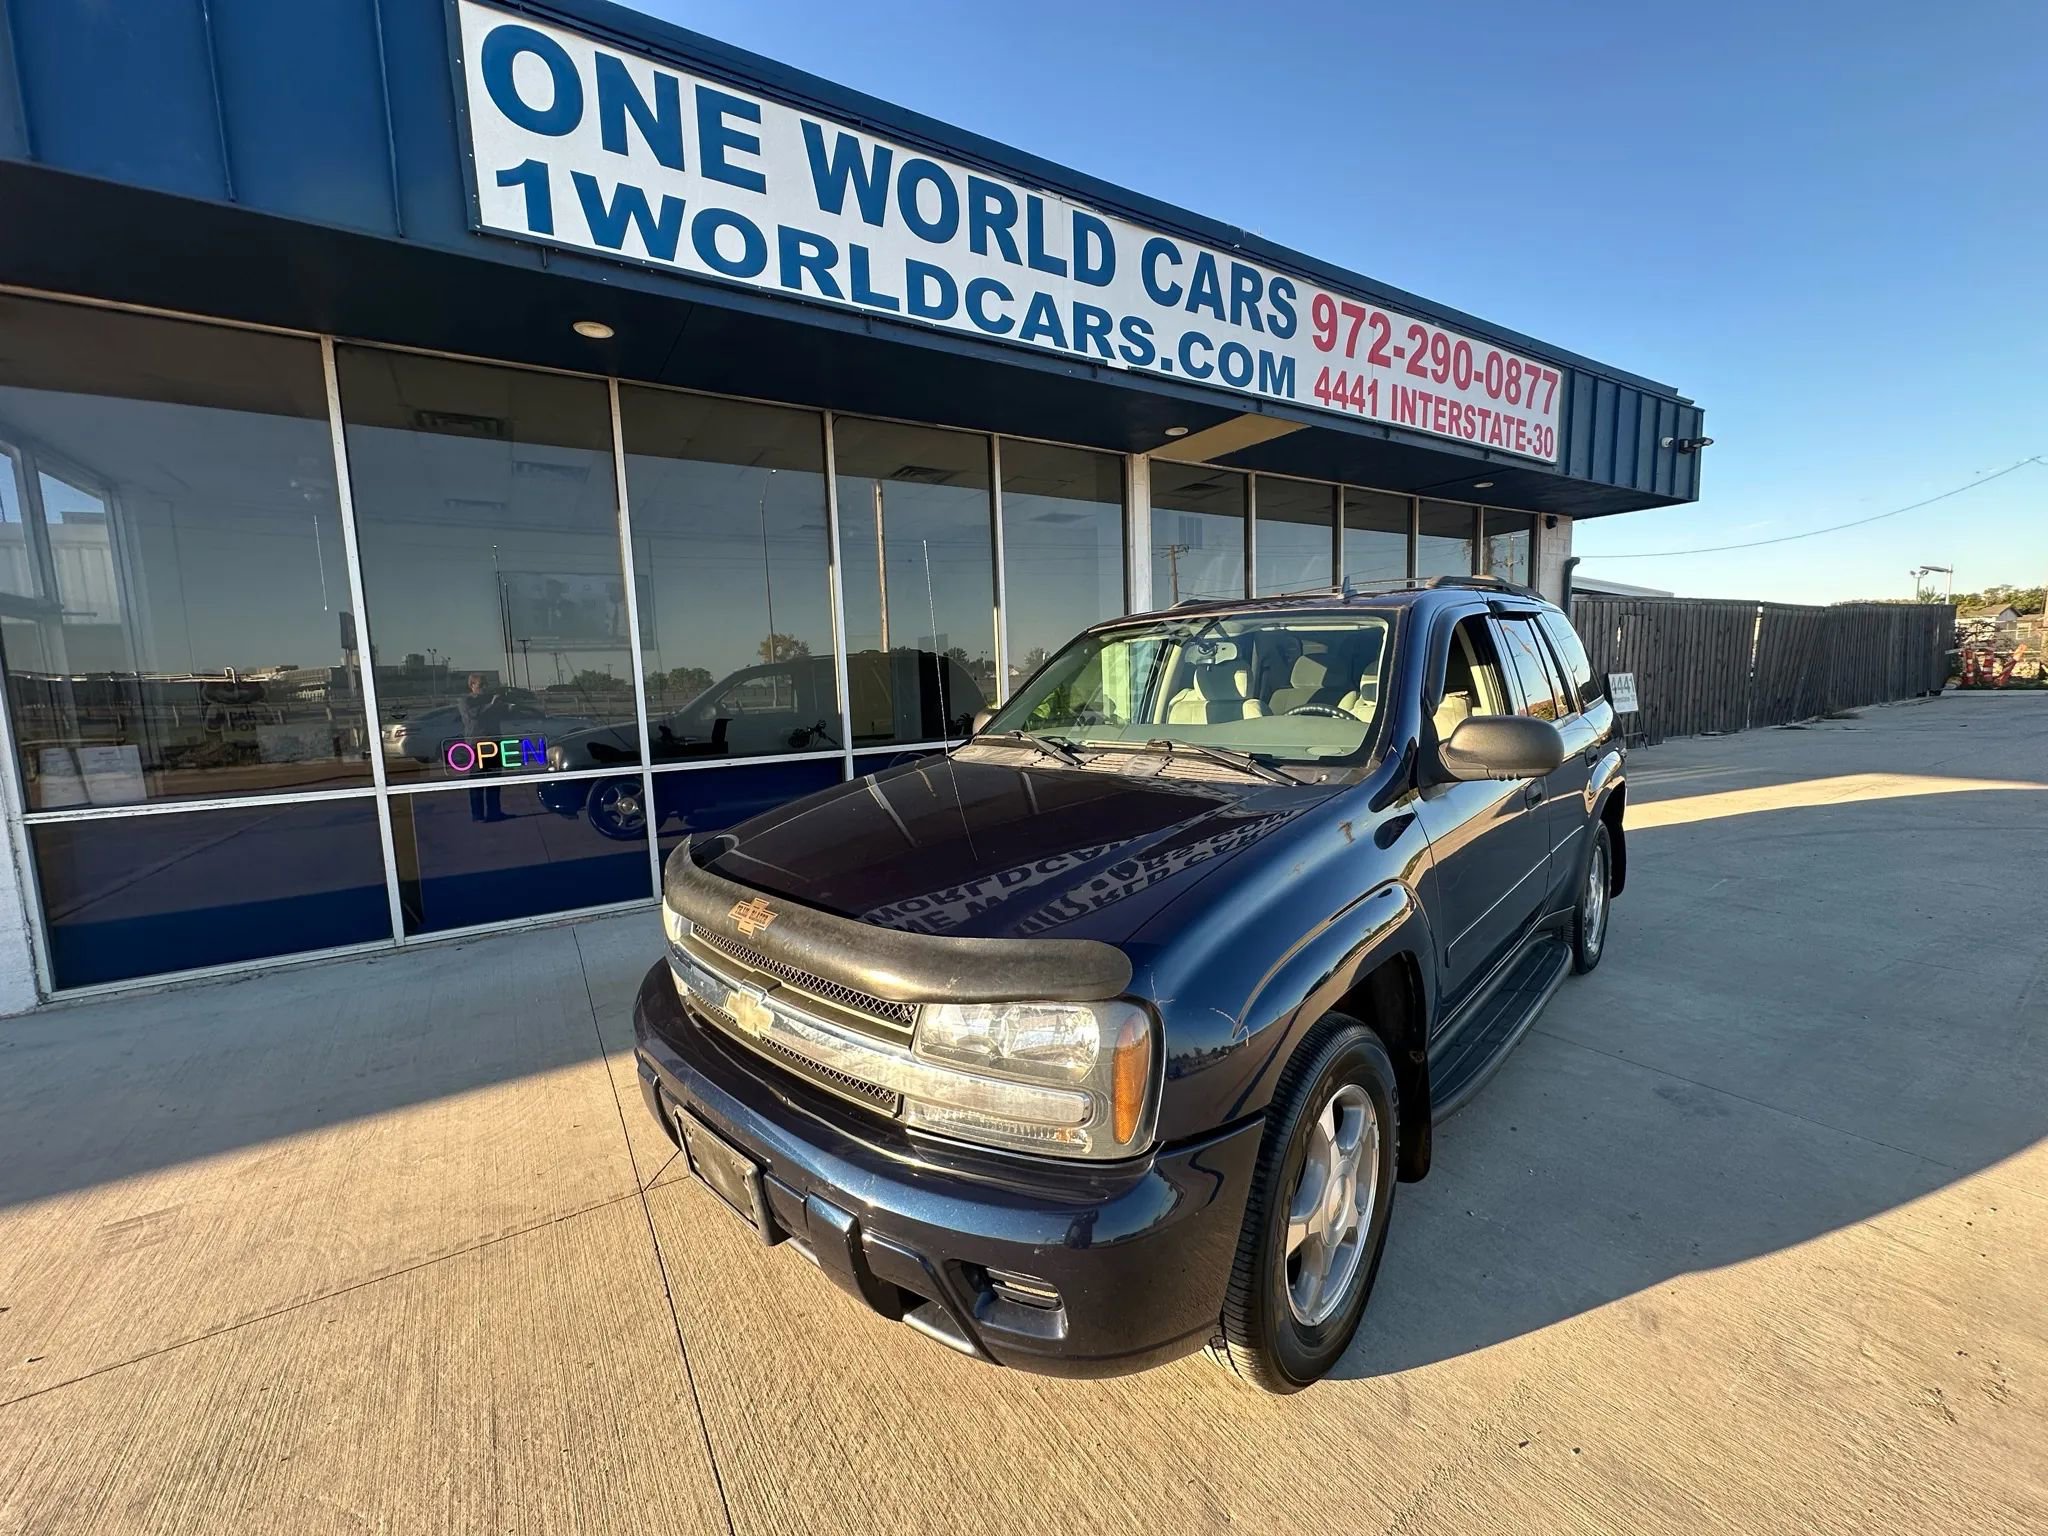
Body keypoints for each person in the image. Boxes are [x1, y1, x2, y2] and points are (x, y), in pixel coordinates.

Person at [457, 672, 508, 823]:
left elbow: (501, 715)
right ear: (471, 685)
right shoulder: (465, 701)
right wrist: (491, 704)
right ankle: (477, 814)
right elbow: (473, 715)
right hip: (477, 742)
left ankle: (494, 811)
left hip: (493, 740)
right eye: (480, 685)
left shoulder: (489, 699)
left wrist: (503, 705)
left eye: (485, 685)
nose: (484, 688)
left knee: (494, 778)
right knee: (477, 779)